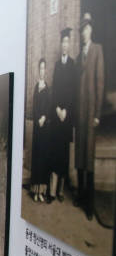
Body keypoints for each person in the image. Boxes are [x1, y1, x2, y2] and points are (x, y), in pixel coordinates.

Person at [74, 12, 104, 221]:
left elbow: (100, 83)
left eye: (87, 28)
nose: (84, 32)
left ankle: (89, 205)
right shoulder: (79, 55)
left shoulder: (97, 51)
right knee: (80, 158)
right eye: (82, 29)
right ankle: (81, 196)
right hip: (79, 115)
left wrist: (97, 114)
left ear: (91, 30)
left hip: (91, 114)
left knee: (89, 158)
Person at [48, 28, 77, 204]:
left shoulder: (72, 64)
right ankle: (52, 191)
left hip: (67, 117)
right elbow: (56, 90)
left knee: (64, 155)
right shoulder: (58, 65)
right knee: (56, 153)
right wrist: (58, 108)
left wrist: (66, 110)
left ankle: (60, 191)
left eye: (67, 42)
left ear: (69, 44)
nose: (65, 45)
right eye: (63, 42)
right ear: (60, 45)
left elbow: (72, 91)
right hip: (57, 115)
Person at [30, 58, 51, 202]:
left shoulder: (48, 89)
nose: (42, 71)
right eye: (40, 68)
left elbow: (49, 107)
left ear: (46, 70)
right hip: (37, 128)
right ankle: (35, 191)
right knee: (36, 158)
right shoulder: (36, 87)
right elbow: (34, 107)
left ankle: (42, 192)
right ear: (38, 70)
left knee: (43, 158)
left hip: (45, 129)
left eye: (44, 68)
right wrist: (38, 118)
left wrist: (44, 117)